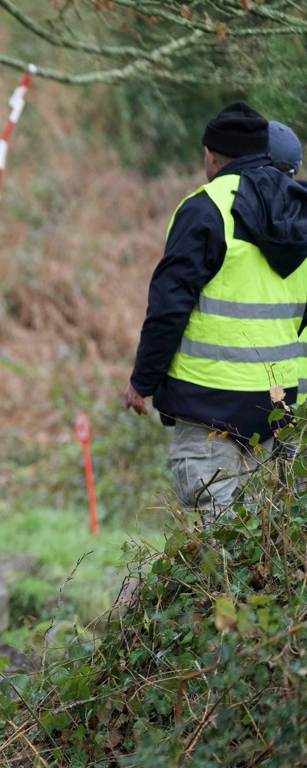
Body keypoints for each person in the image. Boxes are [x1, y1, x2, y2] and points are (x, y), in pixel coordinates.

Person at [123, 101, 307, 513]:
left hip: (208, 404)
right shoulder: (299, 208)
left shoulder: (206, 208)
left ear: (211, 155)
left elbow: (170, 304)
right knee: (261, 533)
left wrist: (142, 380)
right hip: (275, 406)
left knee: (219, 533)